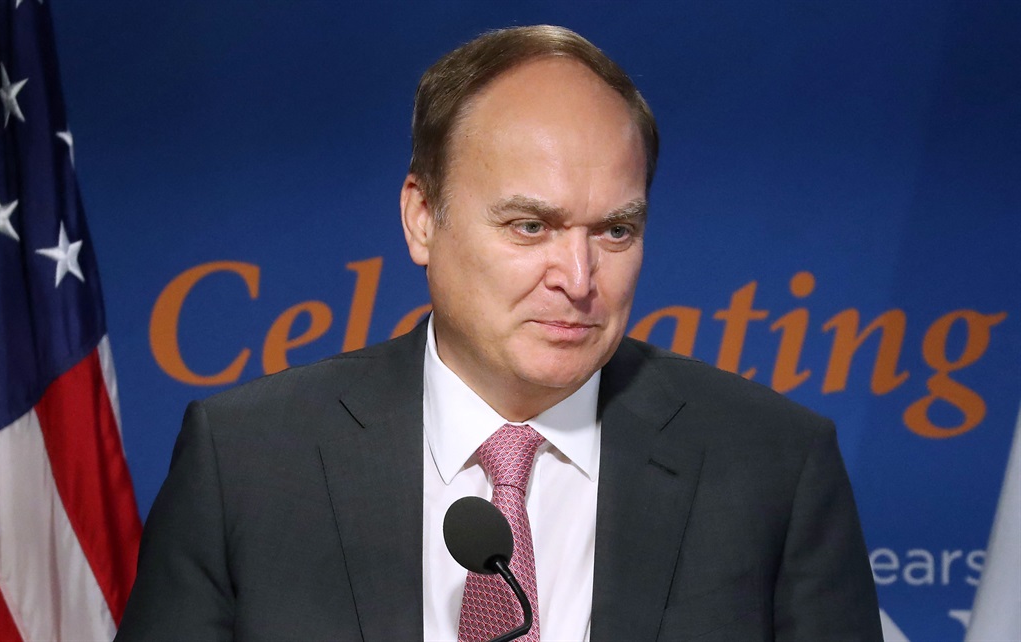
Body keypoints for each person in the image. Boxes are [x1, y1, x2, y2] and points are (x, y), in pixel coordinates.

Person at [116, 25, 882, 641]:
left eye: (615, 231)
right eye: (529, 225)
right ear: (423, 218)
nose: (578, 278)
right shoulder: (246, 460)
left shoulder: (774, 466)